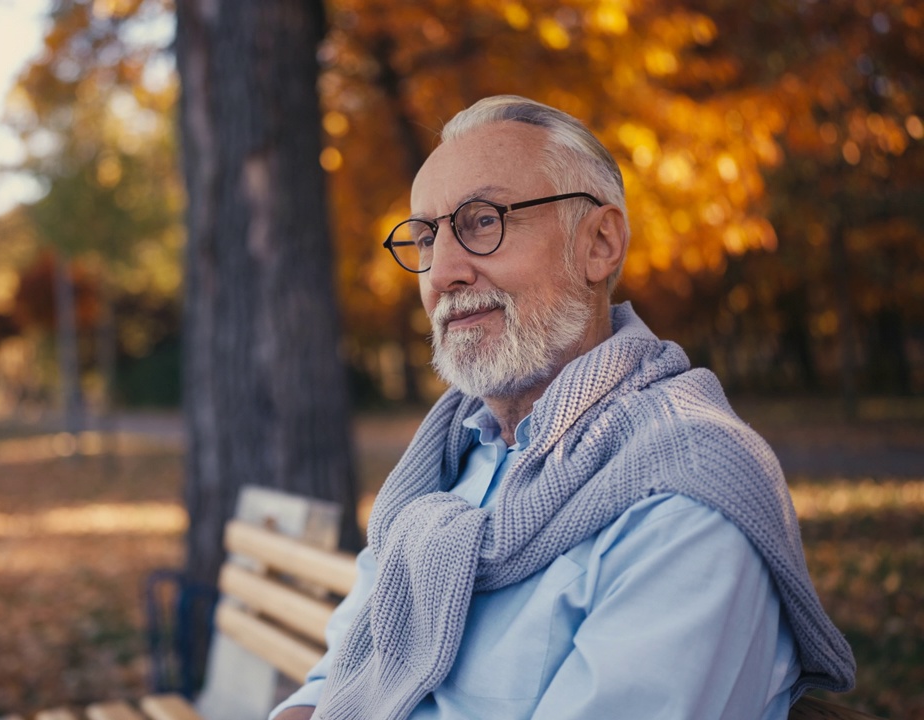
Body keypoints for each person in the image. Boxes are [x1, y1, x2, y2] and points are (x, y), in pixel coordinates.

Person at [269, 96, 855, 720]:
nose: (442, 272)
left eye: (482, 221)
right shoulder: (443, 464)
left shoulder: (688, 487)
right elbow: (339, 680)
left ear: (600, 243)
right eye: (424, 237)